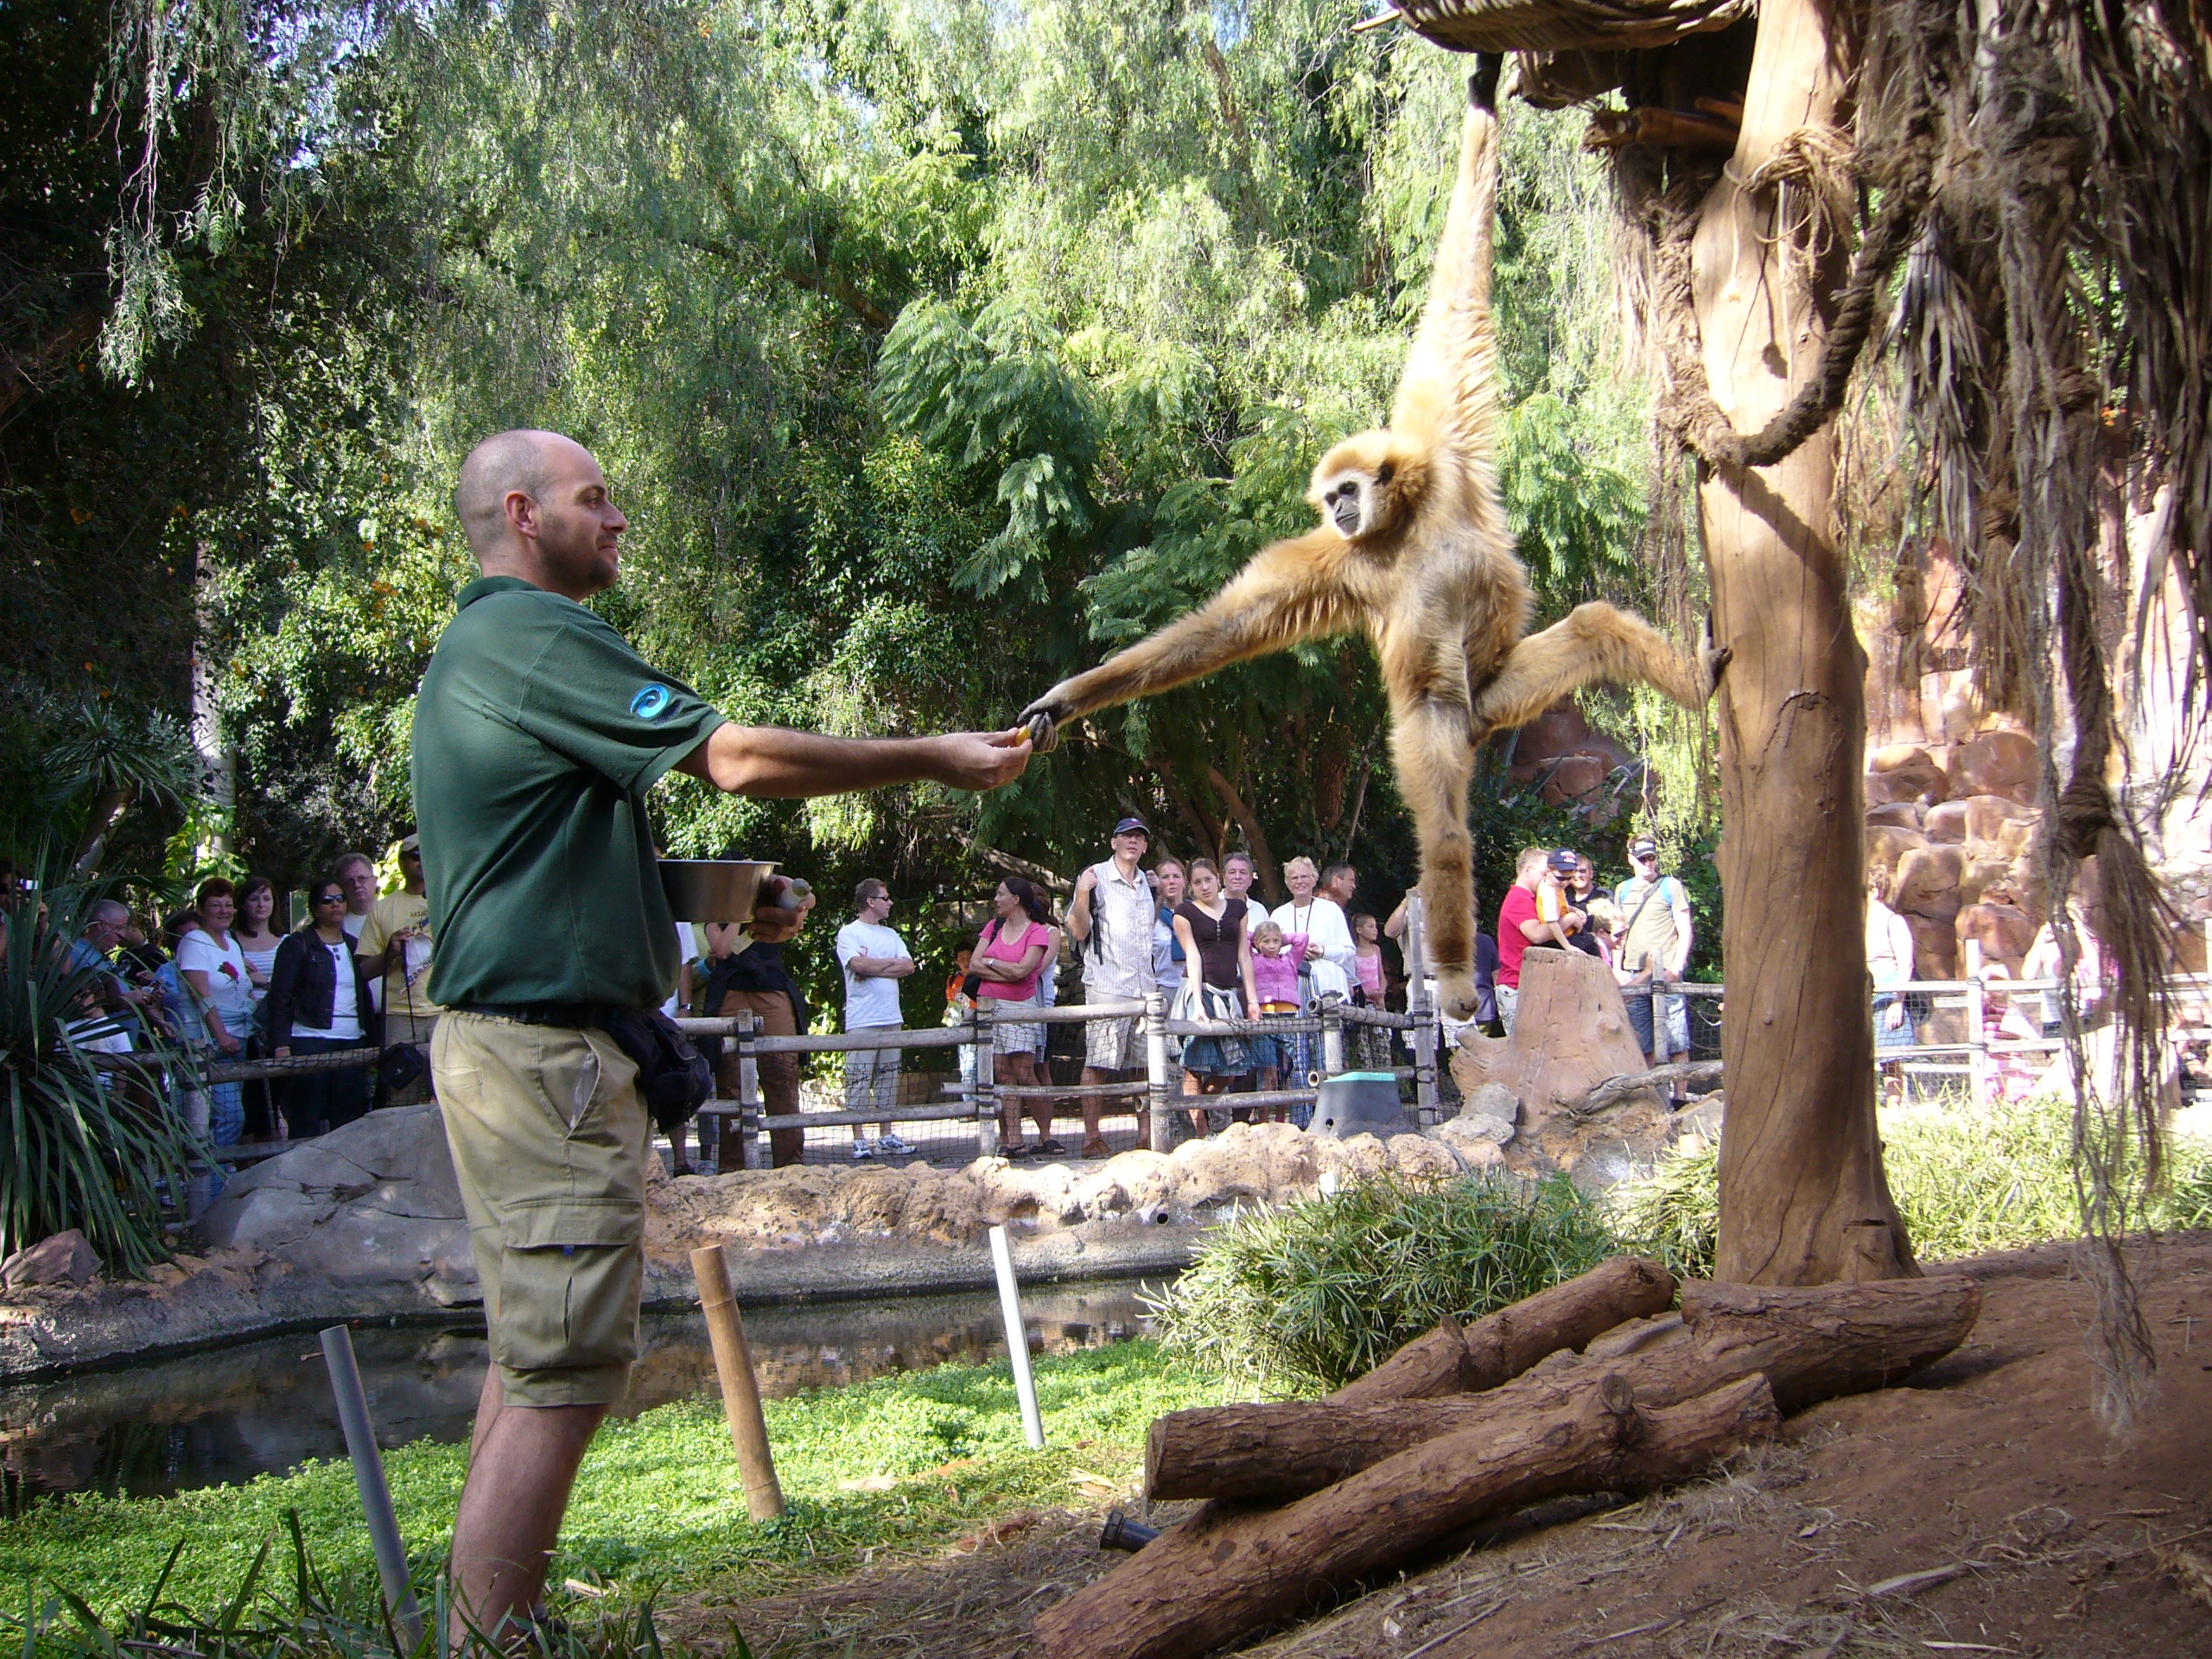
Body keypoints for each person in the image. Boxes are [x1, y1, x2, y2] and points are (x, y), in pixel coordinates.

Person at [412, 427, 1028, 1645]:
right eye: (599, 500)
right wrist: (932, 762)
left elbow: (542, 855)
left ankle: (474, 1627)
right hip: (546, 1064)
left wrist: (722, 903)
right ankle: (488, 1640)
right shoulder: (536, 633)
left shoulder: (485, 650)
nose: (620, 519)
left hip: (523, 1057)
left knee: (534, 1352)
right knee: (567, 1367)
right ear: (526, 515)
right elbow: (735, 759)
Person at [697, 879, 816, 1168]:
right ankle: (732, 1168)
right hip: (731, 994)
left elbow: (807, 900)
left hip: (773, 989)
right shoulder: (714, 917)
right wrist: (741, 918)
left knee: (783, 1079)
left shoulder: (770, 899)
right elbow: (723, 950)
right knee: (731, 1084)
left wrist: (791, 895)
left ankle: (791, 1166)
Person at [1067, 817, 1159, 1160]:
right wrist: (1081, 892)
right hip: (1108, 986)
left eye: (1139, 837)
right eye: (1126, 836)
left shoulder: (1148, 883)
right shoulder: (1095, 878)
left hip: (1143, 989)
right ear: (1113, 842)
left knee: (1146, 1065)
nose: (1133, 842)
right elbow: (1078, 932)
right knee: (1098, 1064)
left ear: (1145, 846)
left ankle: (1145, 1136)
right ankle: (1092, 1138)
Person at [264, 878, 379, 1140]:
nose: (335, 905)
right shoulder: (297, 944)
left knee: (349, 1116)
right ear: (315, 908)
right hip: (310, 1040)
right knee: (306, 1115)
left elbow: (364, 996)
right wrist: (281, 1043)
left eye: (340, 899)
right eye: (327, 900)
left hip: (352, 1040)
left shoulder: (354, 944)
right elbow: (280, 996)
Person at [1172, 859, 1260, 1135]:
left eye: (1208, 879)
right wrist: (1197, 1003)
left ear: (1218, 878)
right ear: (1191, 886)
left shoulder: (1237, 909)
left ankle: (1197, 1109)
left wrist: (1253, 1001)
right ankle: (1201, 1131)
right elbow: (1193, 956)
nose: (1204, 886)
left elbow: (1244, 955)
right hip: (1200, 991)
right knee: (1195, 1065)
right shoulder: (1184, 912)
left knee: (1232, 1068)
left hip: (1228, 994)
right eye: (1197, 882)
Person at [974, 878, 1060, 1157]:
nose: (996, 899)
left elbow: (1024, 972)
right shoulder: (993, 927)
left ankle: (1046, 1135)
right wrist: (1001, 968)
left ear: (1016, 899)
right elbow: (974, 965)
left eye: (1001, 894)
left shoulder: (1037, 932)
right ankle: (1014, 1139)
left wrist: (991, 963)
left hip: (1020, 1007)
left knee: (1026, 1072)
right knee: (1003, 1074)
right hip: (991, 1007)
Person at [836, 879, 918, 1160]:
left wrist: (874, 968)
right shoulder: (849, 933)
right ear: (870, 901)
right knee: (859, 1078)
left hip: (891, 1016)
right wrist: (884, 966)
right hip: (862, 1019)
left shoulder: (892, 935)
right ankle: (858, 1138)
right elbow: (857, 965)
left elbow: (908, 966)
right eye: (885, 898)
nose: (890, 902)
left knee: (889, 1077)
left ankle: (886, 1134)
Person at [357, 834, 440, 1105]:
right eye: (415, 856)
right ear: (402, 863)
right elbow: (365, 971)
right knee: (402, 1097)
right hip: (399, 1015)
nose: (422, 861)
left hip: (445, 1011)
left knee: (453, 1097)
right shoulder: (382, 909)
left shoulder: (448, 901)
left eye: (427, 854)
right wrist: (391, 951)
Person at [176, 877, 253, 1147]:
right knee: (229, 1118)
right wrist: (221, 1036)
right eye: (215, 905)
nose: (224, 911)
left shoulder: (231, 942)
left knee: (228, 1115)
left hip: (239, 1039)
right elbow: (201, 993)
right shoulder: (195, 941)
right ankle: (211, 1183)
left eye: (228, 905)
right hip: (210, 1044)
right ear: (200, 910)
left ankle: (220, 1177)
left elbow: (241, 988)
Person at [1614, 835, 1694, 1077]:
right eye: (1642, 859)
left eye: (1651, 858)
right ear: (1631, 860)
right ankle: (1652, 1095)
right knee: (1642, 1041)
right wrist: (1617, 968)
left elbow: (1685, 928)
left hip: (1666, 973)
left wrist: (1677, 968)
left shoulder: (1671, 886)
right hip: (1633, 972)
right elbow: (1618, 932)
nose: (1648, 863)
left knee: (1677, 1040)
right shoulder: (1623, 890)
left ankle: (1680, 1098)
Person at [232, 875, 284, 1138]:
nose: (261, 904)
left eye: (266, 898)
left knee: (271, 1099)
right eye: (254, 898)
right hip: (240, 1026)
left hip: (272, 1027)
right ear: (242, 904)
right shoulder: (230, 942)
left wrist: (264, 983)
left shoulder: (286, 941)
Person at [1866, 864, 1919, 1103]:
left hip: (1887, 995)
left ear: (1875, 890)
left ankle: (1894, 1105)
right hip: (1863, 995)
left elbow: (1905, 964)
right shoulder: (1856, 923)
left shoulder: (1893, 921)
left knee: (1890, 1058)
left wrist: (1898, 1002)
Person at [1493, 848, 1560, 1032]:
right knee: (1523, 1053)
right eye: (1544, 873)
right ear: (1527, 870)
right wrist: (1568, 921)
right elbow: (1537, 934)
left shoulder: (1531, 898)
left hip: (1528, 985)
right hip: (1517, 987)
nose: (1548, 879)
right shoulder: (1519, 899)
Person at [1249, 919, 1309, 1117]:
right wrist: (1258, 938)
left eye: (1276, 941)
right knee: (1269, 1071)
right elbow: (1244, 938)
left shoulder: (1290, 960)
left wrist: (1283, 939)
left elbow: (1302, 939)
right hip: (1264, 1017)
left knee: (1285, 1070)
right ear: (1257, 943)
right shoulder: (1253, 959)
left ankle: (1283, 1120)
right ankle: (1264, 1119)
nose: (1272, 946)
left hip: (1287, 1016)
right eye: (1266, 941)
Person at [1272, 857, 1356, 975]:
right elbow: (1269, 952)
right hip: (1291, 985)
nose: (1299, 881)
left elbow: (1348, 952)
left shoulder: (1331, 910)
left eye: (1304, 877)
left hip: (1327, 985)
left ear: (1314, 880)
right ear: (1288, 883)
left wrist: (1322, 951)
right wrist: (1296, 951)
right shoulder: (1278, 915)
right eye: (1294, 878)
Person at [334, 851, 379, 944]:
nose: (356, 885)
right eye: (349, 881)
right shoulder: (335, 924)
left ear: (375, 881)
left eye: (362, 878)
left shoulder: (392, 913)